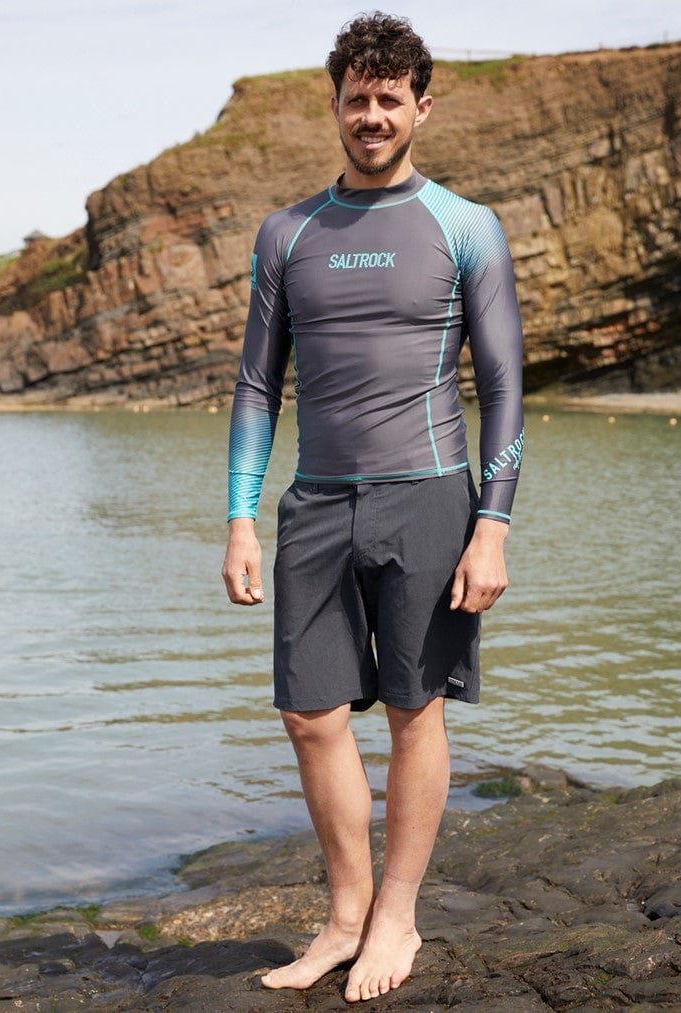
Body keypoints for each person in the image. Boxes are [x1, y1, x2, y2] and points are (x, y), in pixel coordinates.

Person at [221, 11, 524, 1003]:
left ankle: (397, 908)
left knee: (412, 708)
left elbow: (505, 384)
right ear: (336, 103)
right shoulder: (288, 233)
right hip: (315, 503)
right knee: (309, 714)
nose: (373, 113)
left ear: (421, 107)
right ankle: (345, 912)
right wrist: (239, 514)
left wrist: (493, 521)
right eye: (358, 96)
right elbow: (259, 385)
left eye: (391, 98)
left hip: (431, 497)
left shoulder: (466, 226)